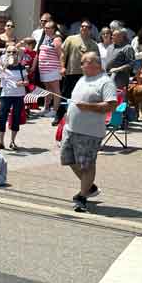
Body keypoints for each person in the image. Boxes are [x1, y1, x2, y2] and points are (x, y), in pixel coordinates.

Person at [61, 52, 117, 212]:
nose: (80, 65)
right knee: (69, 160)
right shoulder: (82, 78)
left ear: (95, 64)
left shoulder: (105, 82)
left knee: (87, 166)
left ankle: (82, 197)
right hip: (70, 128)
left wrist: (88, 107)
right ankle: (90, 187)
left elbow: (111, 105)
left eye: (83, 62)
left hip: (89, 133)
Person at [55, 20, 99, 126]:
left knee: (83, 96)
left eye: (87, 27)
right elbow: (63, 54)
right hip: (71, 72)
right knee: (66, 95)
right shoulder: (71, 39)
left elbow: (96, 61)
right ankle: (59, 117)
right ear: (80, 28)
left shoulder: (93, 44)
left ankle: (80, 118)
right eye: (82, 26)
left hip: (85, 75)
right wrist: (62, 67)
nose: (84, 28)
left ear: (90, 29)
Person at [35, 21, 62, 117]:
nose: (46, 29)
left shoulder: (56, 39)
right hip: (44, 70)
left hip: (53, 69)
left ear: (54, 29)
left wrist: (62, 68)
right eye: (45, 27)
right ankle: (46, 108)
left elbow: (61, 55)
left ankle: (55, 110)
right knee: (47, 90)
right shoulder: (45, 38)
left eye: (49, 28)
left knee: (55, 90)